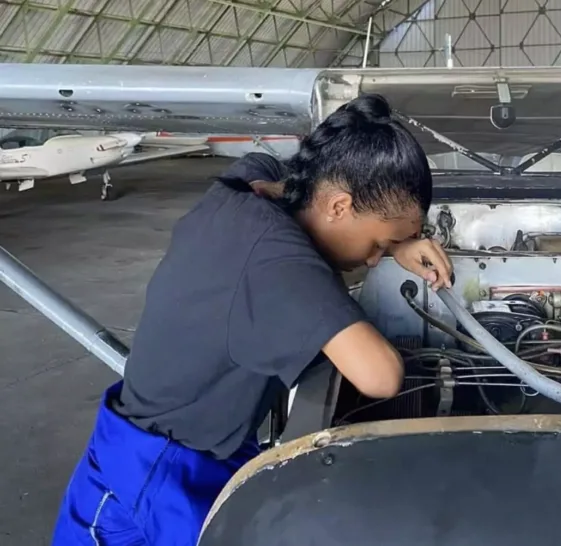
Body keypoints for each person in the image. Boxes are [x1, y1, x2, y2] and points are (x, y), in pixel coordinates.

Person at [51, 93, 453, 545]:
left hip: (200, 445)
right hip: (149, 478)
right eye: (380, 243)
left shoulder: (251, 184)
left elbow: (278, 169)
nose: (377, 259)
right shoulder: (279, 264)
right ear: (338, 206)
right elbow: (380, 376)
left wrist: (398, 240)